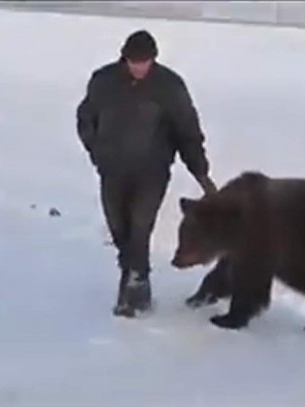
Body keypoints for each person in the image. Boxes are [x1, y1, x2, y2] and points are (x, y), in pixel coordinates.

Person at [76, 30, 217, 318]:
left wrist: (201, 174)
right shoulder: (104, 81)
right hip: (112, 169)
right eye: (134, 61)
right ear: (124, 58)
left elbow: (187, 132)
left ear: (153, 59)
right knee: (119, 228)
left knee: (140, 226)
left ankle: (132, 291)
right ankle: (136, 276)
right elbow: (85, 117)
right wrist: (97, 152)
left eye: (145, 62)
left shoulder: (169, 87)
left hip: (151, 171)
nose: (139, 67)